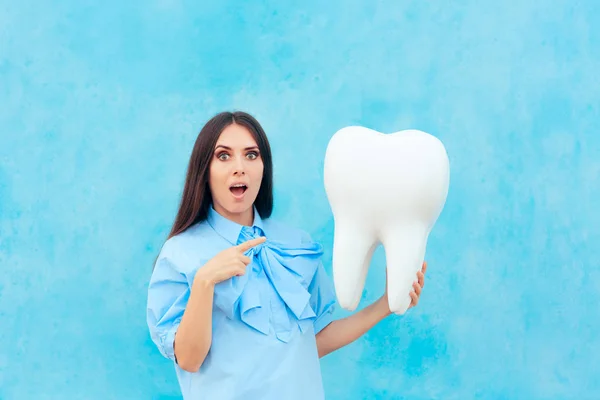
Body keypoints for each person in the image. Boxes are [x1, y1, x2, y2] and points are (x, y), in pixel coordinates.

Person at [146, 111, 427, 399]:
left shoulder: (296, 244)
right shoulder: (180, 253)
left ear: (264, 168)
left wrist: (385, 304)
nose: (239, 167)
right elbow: (189, 360)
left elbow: (312, 343)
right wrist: (205, 282)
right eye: (224, 156)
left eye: (251, 155)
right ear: (204, 170)